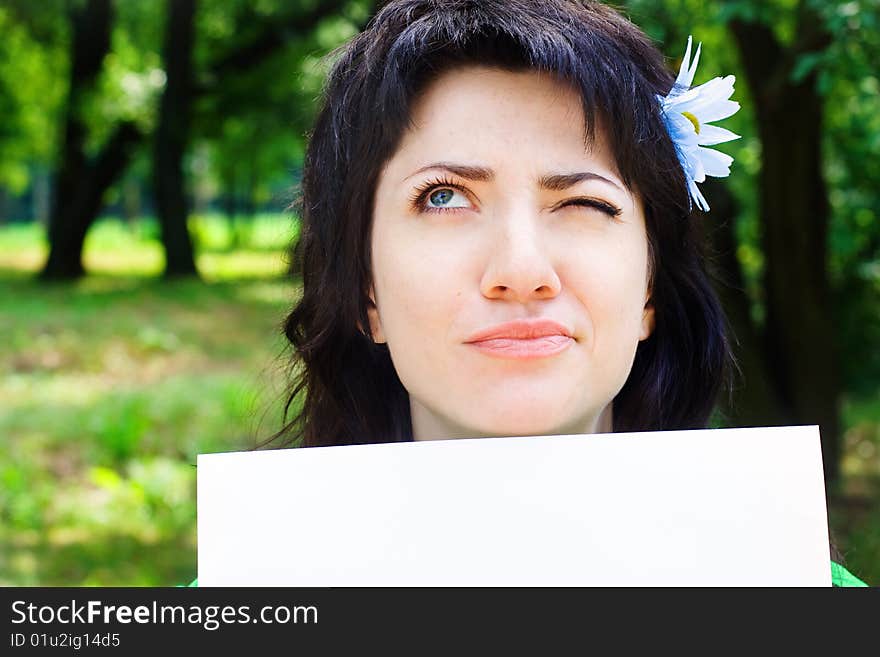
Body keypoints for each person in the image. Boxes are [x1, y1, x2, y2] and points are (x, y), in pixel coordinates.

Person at [189, 0, 866, 586]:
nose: (521, 268)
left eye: (582, 201)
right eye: (444, 196)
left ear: (651, 287)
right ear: (365, 289)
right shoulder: (232, 599)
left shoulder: (804, 590)